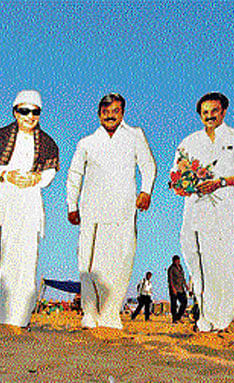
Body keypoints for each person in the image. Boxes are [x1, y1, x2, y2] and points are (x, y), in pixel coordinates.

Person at [66, 93, 157, 330]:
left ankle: (111, 313)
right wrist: (72, 205)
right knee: (87, 262)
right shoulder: (86, 142)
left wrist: (146, 191)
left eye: (115, 111)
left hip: (124, 209)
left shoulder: (135, 135)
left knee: (122, 259)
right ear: (99, 114)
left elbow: (147, 165)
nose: (110, 115)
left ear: (122, 113)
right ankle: (89, 312)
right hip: (92, 210)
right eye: (105, 112)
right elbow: (75, 174)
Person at [0, 90, 59, 329]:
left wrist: (36, 179)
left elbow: (50, 173)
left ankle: (17, 322)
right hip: (2, 197)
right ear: (15, 111)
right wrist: (4, 174)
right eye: (24, 111)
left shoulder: (48, 143)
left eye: (35, 111)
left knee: (26, 258)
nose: (29, 116)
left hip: (29, 201)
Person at [170, 92, 234, 332]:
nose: (209, 116)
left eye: (214, 111)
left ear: (224, 111)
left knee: (223, 262)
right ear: (200, 115)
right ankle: (204, 316)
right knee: (195, 260)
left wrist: (221, 182)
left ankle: (222, 321)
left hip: (224, 207)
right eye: (204, 112)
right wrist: (180, 186)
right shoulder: (189, 141)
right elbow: (176, 174)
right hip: (194, 208)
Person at [167, 255, 188, 323]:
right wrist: (173, 288)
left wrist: (186, 285)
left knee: (184, 302)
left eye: (178, 260)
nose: (178, 262)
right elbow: (170, 280)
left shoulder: (181, 268)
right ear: (173, 261)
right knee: (174, 304)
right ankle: (174, 319)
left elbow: (183, 277)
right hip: (174, 289)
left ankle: (178, 316)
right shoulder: (171, 268)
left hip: (181, 288)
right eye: (176, 260)